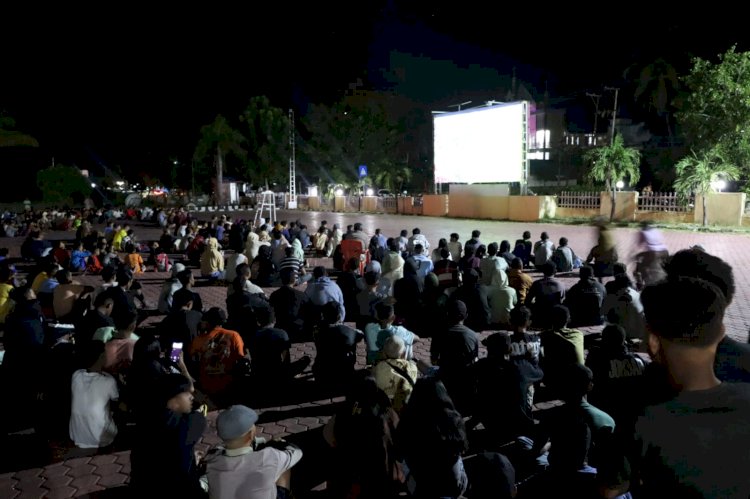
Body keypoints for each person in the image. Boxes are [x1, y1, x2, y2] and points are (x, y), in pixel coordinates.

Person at [206, 405, 303, 499]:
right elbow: (297, 453)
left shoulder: (211, 461)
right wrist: (283, 444)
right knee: (284, 466)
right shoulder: (268, 456)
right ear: (251, 434)